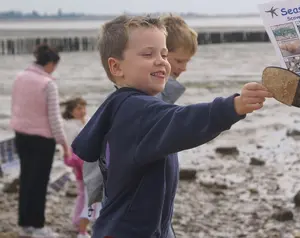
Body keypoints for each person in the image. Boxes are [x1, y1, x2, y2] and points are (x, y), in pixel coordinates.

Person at [71, 15, 272, 238]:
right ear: (116, 67)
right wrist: (234, 106)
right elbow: (182, 122)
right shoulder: (136, 110)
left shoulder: (125, 105)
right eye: (148, 54)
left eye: (164, 54)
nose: (161, 61)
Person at [82, 14, 199, 207]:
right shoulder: (138, 101)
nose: (183, 68)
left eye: (187, 62)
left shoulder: (153, 90)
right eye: (179, 60)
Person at [10, 44, 70, 238]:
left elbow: (16, 106)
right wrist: (64, 143)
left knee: (27, 178)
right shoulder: (48, 84)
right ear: (50, 63)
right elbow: (54, 118)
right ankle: (37, 226)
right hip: (42, 140)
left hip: (21, 135)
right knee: (40, 182)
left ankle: (24, 223)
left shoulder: (20, 78)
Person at [61, 97, 101, 238]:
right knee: (87, 195)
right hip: (79, 161)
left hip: (90, 161)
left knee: (85, 194)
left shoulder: (89, 119)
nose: (83, 111)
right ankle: (82, 226)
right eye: (78, 108)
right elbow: (69, 146)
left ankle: (80, 222)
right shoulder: (69, 125)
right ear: (71, 112)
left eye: (84, 107)